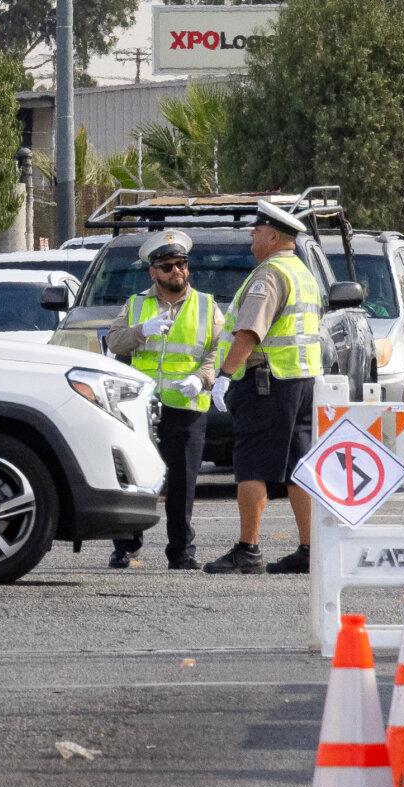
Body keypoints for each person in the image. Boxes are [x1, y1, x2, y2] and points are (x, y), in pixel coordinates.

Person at [204, 201, 323, 575]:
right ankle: (309, 549)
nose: (253, 238)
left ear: (272, 236)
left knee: (251, 464)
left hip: (266, 382)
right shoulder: (302, 272)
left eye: (256, 232)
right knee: (298, 467)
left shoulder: (268, 275)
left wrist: (224, 374)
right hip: (301, 382)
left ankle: (247, 549)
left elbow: (250, 331)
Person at [105, 230, 223, 570]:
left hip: (186, 405)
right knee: (134, 478)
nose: (177, 272)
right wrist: (143, 330)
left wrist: (200, 379)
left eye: (182, 264)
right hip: (141, 407)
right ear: (153, 272)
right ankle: (126, 546)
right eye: (168, 266)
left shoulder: (207, 306)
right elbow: (115, 342)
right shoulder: (136, 305)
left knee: (183, 482)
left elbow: (218, 350)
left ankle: (182, 551)